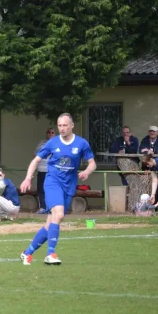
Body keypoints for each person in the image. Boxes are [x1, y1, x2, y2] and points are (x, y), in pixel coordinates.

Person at [19, 113, 96, 265]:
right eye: (59, 125)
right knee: (59, 215)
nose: (62, 128)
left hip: (69, 185)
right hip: (52, 182)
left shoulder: (81, 143)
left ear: (72, 126)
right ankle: (50, 254)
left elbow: (92, 163)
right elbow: (35, 161)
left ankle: (27, 253)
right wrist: (28, 178)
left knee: (51, 222)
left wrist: (87, 171)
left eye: (65, 125)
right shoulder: (52, 143)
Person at [34, 127, 55, 213]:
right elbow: (35, 155)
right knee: (41, 190)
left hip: (52, 171)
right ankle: (43, 207)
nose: (50, 134)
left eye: (52, 132)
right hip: (42, 169)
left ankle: (51, 208)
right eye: (48, 132)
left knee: (50, 189)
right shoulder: (41, 143)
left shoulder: (57, 143)